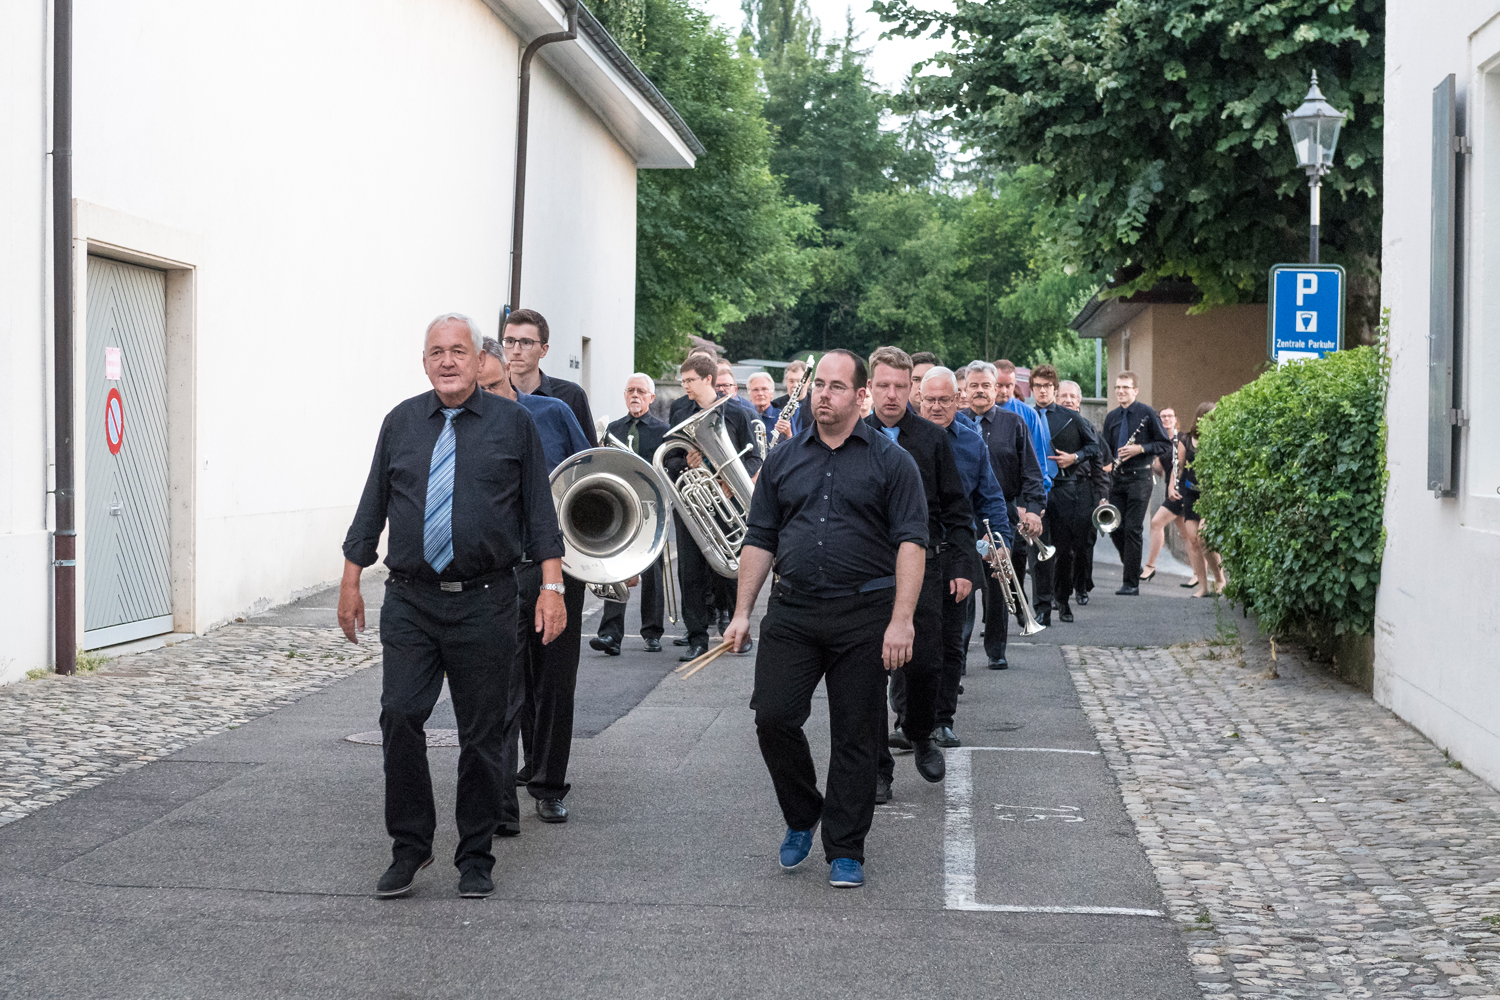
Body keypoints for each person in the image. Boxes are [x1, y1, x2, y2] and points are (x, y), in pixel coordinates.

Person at [339, 313, 565, 900]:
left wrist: (552, 588)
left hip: (487, 601)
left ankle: (475, 855)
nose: (447, 361)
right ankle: (409, 848)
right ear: (424, 360)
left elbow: (540, 512)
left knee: (482, 733)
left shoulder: (514, 424)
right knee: (399, 715)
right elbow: (372, 506)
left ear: (477, 357)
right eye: (436, 351)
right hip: (411, 601)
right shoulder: (401, 422)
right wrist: (350, 580)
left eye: (458, 351)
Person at [723, 349, 927, 890]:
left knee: (856, 733)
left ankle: (845, 847)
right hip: (792, 610)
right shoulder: (784, 459)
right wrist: (742, 612)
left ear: (860, 396)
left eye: (838, 387)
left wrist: (901, 620)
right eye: (820, 385)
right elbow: (760, 538)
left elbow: (911, 543)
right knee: (773, 717)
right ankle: (802, 810)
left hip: (865, 613)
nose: (824, 395)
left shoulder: (892, 462)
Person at [478, 337, 591, 828]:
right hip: (497, 573)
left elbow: (593, 476)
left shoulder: (552, 412)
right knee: (502, 688)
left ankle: (548, 786)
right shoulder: (462, 424)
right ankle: (501, 802)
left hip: (558, 567)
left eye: (492, 383)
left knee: (554, 684)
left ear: (507, 370)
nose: (485, 394)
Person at [863, 347, 973, 803]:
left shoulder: (931, 438)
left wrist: (963, 564)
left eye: (900, 386)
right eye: (882, 386)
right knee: (866, 673)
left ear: (912, 388)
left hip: (924, 564)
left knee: (925, 661)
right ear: (869, 388)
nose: (891, 395)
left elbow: (957, 508)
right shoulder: (851, 435)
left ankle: (921, 732)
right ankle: (878, 769)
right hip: (866, 568)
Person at [918, 366, 1009, 744]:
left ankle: (942, 719)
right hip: (910, 555)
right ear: (919, 400)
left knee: (950, 641)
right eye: (930, 400)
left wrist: (1001, 540)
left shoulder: (972, 444)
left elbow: (990, 497)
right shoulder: (902, 440)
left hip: (956, 552)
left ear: (958, 400)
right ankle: (908, 719)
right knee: (911, 642)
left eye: (944, 400)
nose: (937, 407)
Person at [664, 352, 762, 660]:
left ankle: (737, 628)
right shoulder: (680, 409)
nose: (686, 387)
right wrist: (686, 462)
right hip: (693, 503)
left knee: (731, 571)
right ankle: (697, 639)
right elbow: (669, 457)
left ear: (708, 379)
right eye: (683, 381)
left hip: (726, 501)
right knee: (690, 573)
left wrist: (731, 482)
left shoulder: (738, 412)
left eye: (690, 380)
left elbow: (754, 456)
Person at [963, 362, 1045, 669]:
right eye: (975, 385)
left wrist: (1034, 509)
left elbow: (1032, 474)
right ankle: (957, 655)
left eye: (987, 385)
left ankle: (996, 649)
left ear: (997, 387)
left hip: (1002, 516)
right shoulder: (954, 424)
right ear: (965, 390)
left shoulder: (1014, 424)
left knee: (998, 584)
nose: (981, 391)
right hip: (964, 520)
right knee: (963, 585)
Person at [590, 374, 669, 655]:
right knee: (615, 567)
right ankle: (611, 634)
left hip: (650, 507)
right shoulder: (614, 428)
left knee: (653, 572)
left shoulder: (662, 430)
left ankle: (652, 632)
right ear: (625, 395)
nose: (635, 395)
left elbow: (667, 468)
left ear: (651, 397)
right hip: (620, 508)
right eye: (630, 390)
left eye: (641, 391)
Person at [1029, 365, 1100, 624]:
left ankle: (1063, 599)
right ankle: (1042, 607)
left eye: (1048, 386)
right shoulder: (1025, 416)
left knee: (1065, 551)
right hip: (1035, 492)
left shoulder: (1071, 417)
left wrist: (1075, 457)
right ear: (1032, 388)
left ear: (1054, 389)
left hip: (1065, 490)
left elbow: (1095, 447)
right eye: (1038, 386)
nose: (1043, 390)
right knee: (1039, 551)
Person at [1100, 371, 1172, 595]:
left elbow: (1164, 445)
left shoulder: (1147, 414)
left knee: (1132, 528)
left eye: (1126, 387)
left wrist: (1139, 449)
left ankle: (1131, 583)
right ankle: (1132, 565)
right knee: (1113, 526)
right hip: (1117, 478)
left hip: (1140, 477)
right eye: (1118, 388)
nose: (1121, 391)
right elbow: (1106, 449)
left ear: (1135, 390)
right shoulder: (1112, 417)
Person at [502, 308, 598, 447]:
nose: (516, 351)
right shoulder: (492, 394)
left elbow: (589, 458)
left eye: (526, 343)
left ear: (543, 350)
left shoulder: (571, 396)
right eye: (510, 341)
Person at [1172, 402, 1227, 597]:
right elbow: (1178, 467)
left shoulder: (1220, 439)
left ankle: (1220, 578)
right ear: (1201, 417)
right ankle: (1203, 586)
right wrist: (1172, 486)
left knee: (1204, 537)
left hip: (1211, 495)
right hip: (1190, 494)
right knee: (1193, 541)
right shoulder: (1185, 439)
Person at [1058, 381, 1103, 606]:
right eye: (1063, 395)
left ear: (1079, 400)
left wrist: (1102, 498)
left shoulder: (1088, 427)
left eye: (1072, 396)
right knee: (1060, 546)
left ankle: (1081, 587)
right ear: (1056, 399)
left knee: (1083, 544)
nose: (1068, 400)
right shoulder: (1048, 424)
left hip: (1084, 489)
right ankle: (1060, 591)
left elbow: (1100, 466)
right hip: (1057, 489)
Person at [1143, 406, 1180, 584]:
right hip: (1169, 487)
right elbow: (1161, 471)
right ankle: (1199, 574)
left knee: (1156, 523)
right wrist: (1153, 463)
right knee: (1189, 536)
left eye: (1169, 416)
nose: (1166, 419)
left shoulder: (1180, 440)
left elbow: (1179, 466)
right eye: (1162, 416)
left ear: (1175, 419)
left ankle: (1149, 566)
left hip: (1180, 490)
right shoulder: (1161, 441)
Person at [747, 372, 781, 438]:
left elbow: (795, 444)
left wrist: (788, 434)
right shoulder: (744, 416)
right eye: (755, 390)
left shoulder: (782, 417)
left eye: (764, 389)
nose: (760, 393)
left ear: (772, 393)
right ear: (749, 394)